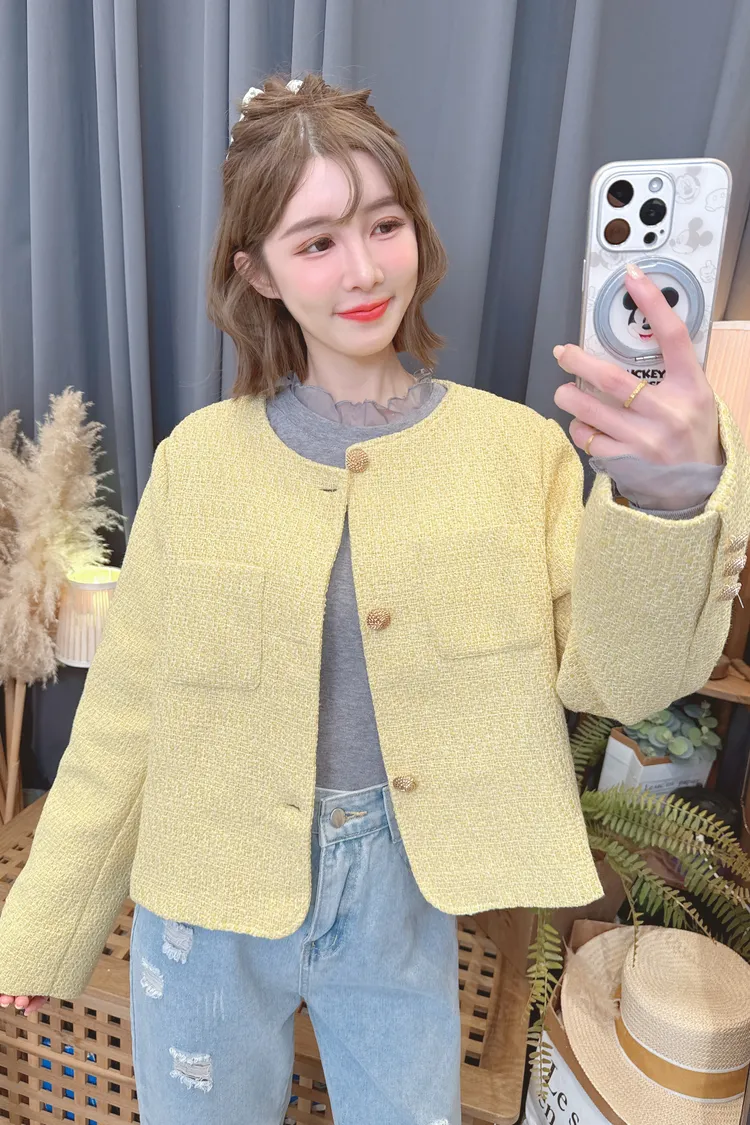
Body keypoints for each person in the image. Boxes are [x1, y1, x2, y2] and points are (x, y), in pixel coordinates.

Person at [0, 73, 747, 1125]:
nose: (363, 269)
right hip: (204, 891)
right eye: (316, 242)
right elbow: (125, 719)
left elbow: (622, 682)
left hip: (402, 889)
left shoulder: (516, 452)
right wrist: (44, 925)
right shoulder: (200, 460)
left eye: (384, 224)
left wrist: (666, 506)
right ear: (257, 270)